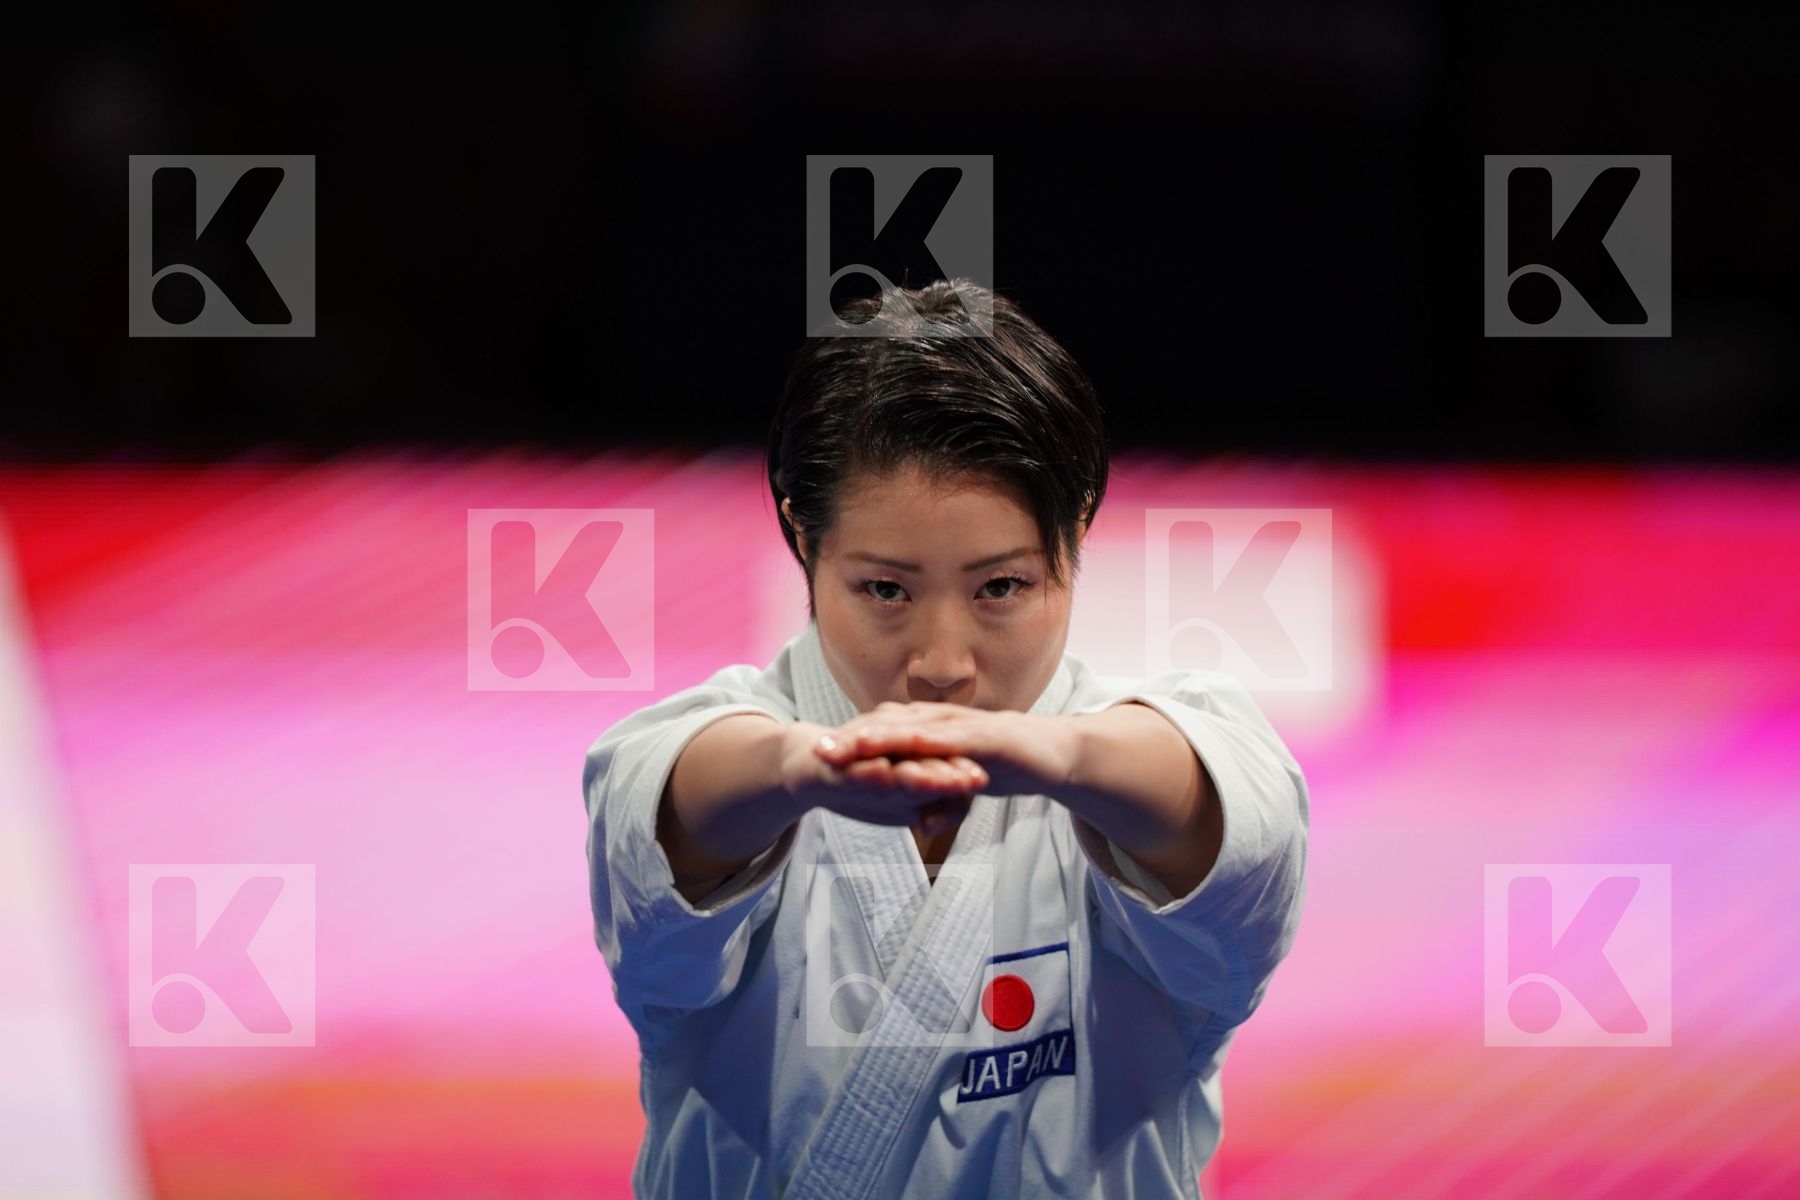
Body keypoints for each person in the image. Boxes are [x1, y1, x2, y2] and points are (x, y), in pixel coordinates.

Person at [583, 279, 1310, 1199]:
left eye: (1000, 588)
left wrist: (1062, 758)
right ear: (804, 541)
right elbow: (672, 801)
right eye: (885, 590)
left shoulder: (1164, 746)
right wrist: (800, 771)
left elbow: (1239, 832)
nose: (941, 662)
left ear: (1075, 530)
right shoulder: (714, 745)